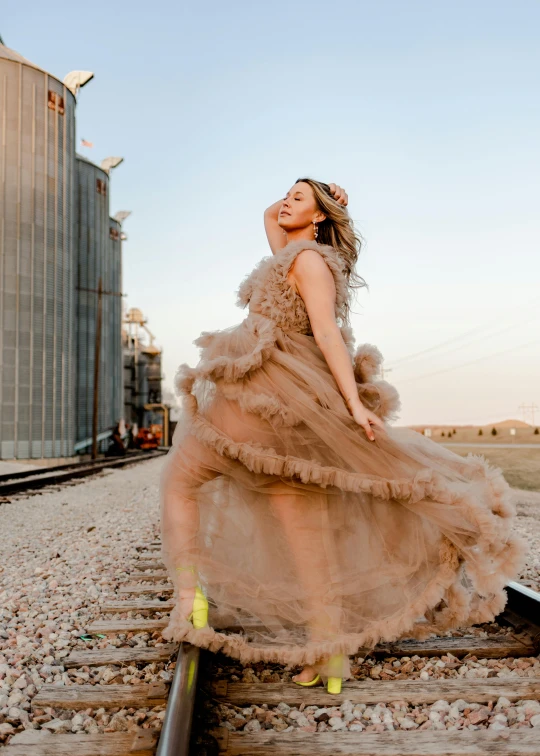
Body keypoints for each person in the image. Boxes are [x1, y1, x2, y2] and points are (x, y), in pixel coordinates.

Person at [159, 178, 525, 694]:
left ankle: (188, 599)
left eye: (298, 199)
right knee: (297, 518)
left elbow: (327, 332)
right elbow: (269, 215)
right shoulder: (293, 250)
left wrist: (354, 404)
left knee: (181, 480)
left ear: (318, 219)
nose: (285, 201)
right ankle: (329, 652)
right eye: (287, 192)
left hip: (262, 392)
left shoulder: (306, 260)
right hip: (284, 401)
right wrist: (313, 191)